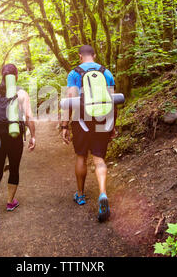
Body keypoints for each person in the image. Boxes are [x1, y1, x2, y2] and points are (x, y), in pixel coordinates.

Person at [61, 45, 116, 222]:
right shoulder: (106, 72)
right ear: (94, 55)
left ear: (80, 57)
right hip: (102, 119)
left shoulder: (74, 73)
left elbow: (70, 99)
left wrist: (64, 125)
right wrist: (112, 124)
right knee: (99, 157)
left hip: (81, 121)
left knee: (81, 156)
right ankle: (102, 193)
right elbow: (112, 100)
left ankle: (81, 194)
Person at [0, 64, 36, 229]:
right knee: (13, 168)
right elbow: (28, 116)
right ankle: (10, 202)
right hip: (14, 138)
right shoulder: (21, 93)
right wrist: (33, 135)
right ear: (16, 76)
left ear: (2, 75)